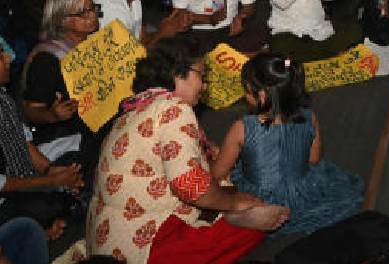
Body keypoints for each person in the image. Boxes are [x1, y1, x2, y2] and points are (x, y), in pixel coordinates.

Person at [86, 38, 289, 263]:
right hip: (144, 246)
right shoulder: (174, 109)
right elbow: (190, 186)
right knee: (253, 227)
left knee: (229, 194)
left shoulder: (136, 108)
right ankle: (234, 219)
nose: (204, 86)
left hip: (105, 242)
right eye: (201, 76)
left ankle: (231, 216)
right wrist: (235, 203)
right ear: (178, 73)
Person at [211, 53, 363, 235]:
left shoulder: (242, 127)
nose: (245, 95)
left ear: (260, 95)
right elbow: (314, 160)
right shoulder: (309, 116)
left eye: (246, 90)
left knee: (220, 199)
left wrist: (212, 158)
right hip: (303, 194)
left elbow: (217, 173)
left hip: (262, 199)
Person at [0, 48, 83, 241]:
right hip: (6, 199)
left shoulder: (4, 99)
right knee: (48, 208)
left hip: (23, 183)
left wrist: (50, 171)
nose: (9, 58)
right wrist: (49, 182)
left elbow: (24, 143)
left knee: (73, 172)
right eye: (1, 56)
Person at [22, 0, 106, 175]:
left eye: (93, 8)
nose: (93, 15)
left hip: (91, 136)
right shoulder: (49, 59)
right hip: (64, 143)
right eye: (84, 12)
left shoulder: (93, 47)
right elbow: (31, 109)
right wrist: (52, 115)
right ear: (62, 20)